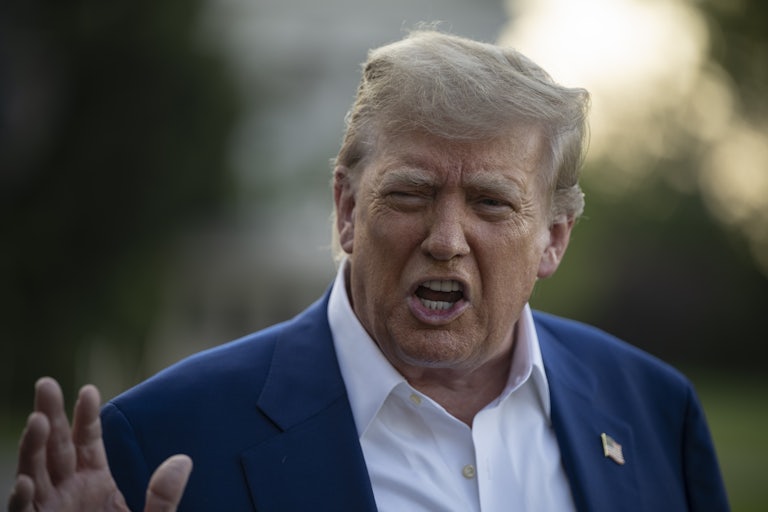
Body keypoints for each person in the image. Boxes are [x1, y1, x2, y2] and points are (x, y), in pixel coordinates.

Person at [9, 29, 729, 512]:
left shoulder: (656, 413)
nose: (446, 240)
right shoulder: (158, 441)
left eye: (490, 202)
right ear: (347, 208)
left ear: (554, 238)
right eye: (410, 194)